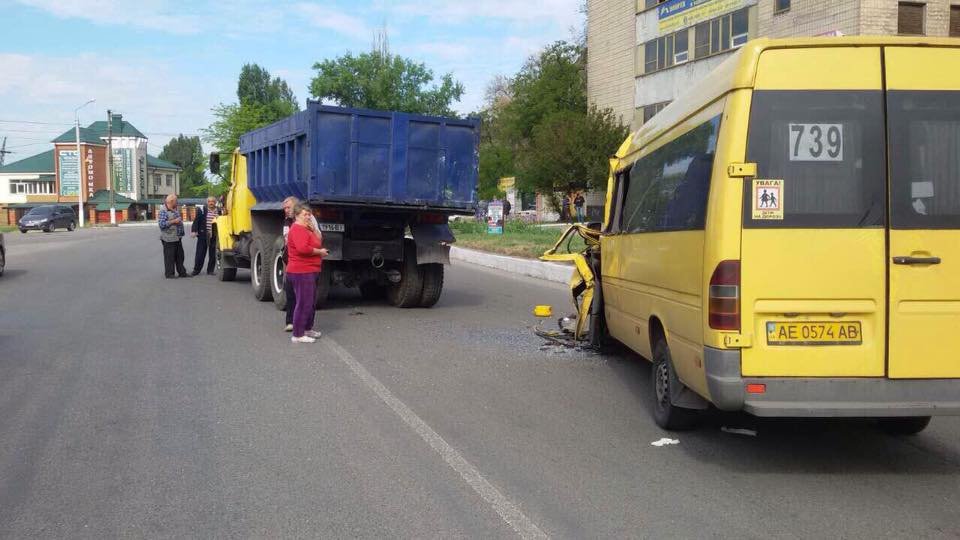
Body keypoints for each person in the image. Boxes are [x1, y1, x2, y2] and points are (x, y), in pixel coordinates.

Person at [286, 202, 328, 343]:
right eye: (305, 214)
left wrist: (314, 230)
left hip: (312, 269)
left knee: (310, 302)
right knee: (303, 302)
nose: (308, 216)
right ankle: (297, 334)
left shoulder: (307, 228)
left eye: (309, 214)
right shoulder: (297, 229)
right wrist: (320, 252)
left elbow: (318, 240)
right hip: (301, 271)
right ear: (297, 215)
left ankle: (307, 328)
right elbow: (302, 249)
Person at [281, 197, 322, 332]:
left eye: (288, 207)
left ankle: (305, 327)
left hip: (306, 265)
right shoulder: (291, 223)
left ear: (297, 208)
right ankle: (293, 324)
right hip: (296, 262)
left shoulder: (308, 220)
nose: (286, 210)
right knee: (293, 294)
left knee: (306, 299)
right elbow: (295, 244)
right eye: (285, 208)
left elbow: (317, 239)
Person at [158, 194, 189, 278]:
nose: (177, 202)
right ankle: (169, 274)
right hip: (168, 238)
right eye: (176, 201)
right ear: (172, 201)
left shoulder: (174, 209)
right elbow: (161, 224)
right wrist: (174, 221)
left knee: (180, 256)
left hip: (177, 237)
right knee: (169, 257)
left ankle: (182, 273)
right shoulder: (163, 210)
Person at [190, 196, 218, 275]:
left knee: (213, 254)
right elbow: (196, 221)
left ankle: (210, 270)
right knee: (200, 253)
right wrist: (194, 231)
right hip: (203, 234)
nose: (211, 203)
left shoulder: (219, 211)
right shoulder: (202, 210)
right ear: (207, 202)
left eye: (212, 201)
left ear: (215, 202)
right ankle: (196, 270)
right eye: (209, 201)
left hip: (214, 235)